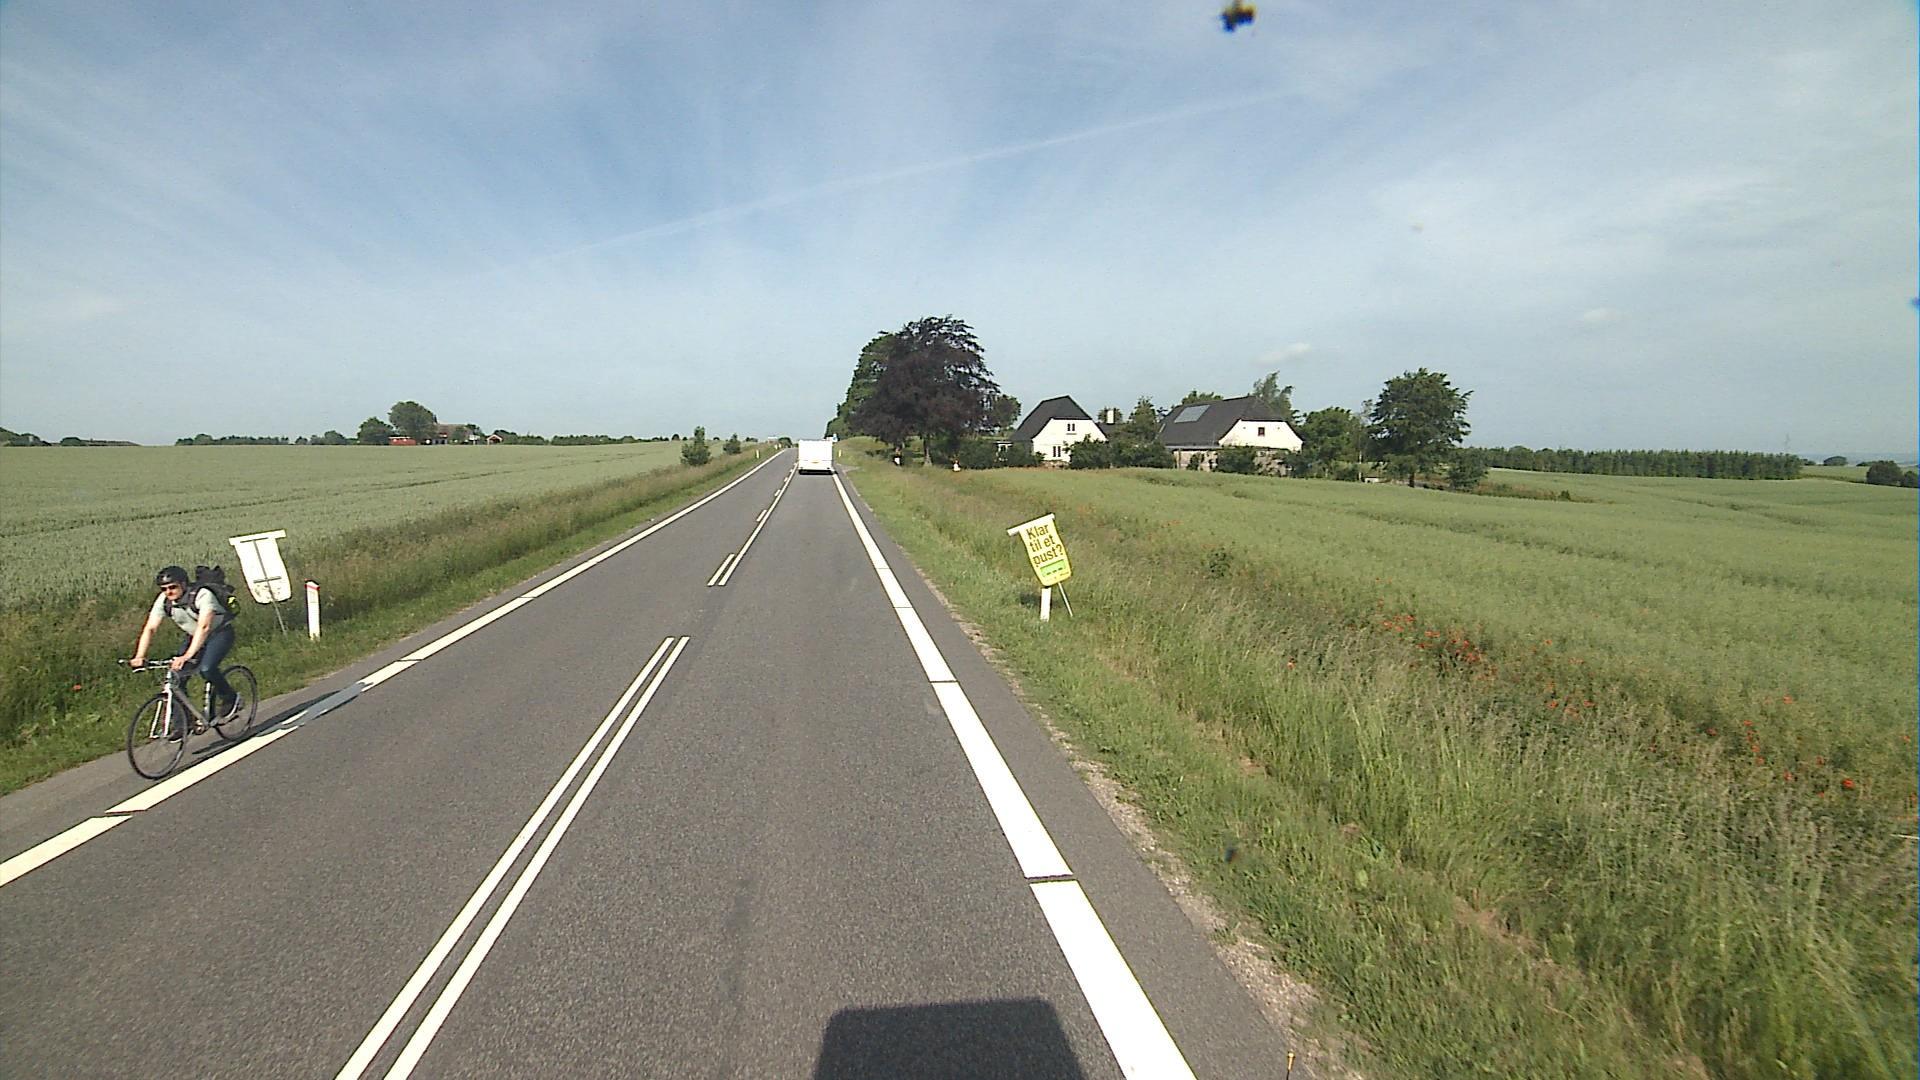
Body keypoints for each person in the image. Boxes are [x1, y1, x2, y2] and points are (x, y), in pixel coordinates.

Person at [130, 565, 238, 725]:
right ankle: (183, 724)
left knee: (207, 669)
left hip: (219, 633)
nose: (168, 592)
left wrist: (187, 656)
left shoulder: (202, 595)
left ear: (184, 584)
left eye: (173, 587)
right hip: (194, 636)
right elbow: (150, 628)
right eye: (164, 589)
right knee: (176, 677)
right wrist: (140, 655)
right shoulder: (164, 600)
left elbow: (204, 627)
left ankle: (230, 699)